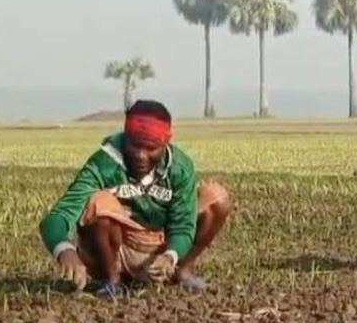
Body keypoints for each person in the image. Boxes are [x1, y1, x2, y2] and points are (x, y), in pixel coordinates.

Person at [39, 100, 233, 296]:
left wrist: (170, 255)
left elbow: (183, 225)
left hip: (160, 247)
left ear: (166, 142)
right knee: (99, 202)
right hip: (118, 248)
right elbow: (57, 217)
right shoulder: (103, 164)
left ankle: (180, 271)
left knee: (216, 198)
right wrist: (64, 250)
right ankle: (112, 280)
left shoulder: (180, 168)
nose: (141, 155)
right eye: (134, 145)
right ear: (125, 135)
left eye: (151, 149)